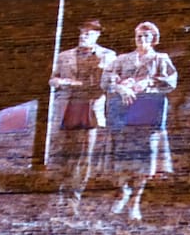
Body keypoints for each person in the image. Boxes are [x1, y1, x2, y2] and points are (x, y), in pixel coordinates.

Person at [104, 20, 177, 221]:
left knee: (145, 158)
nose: (142, 40)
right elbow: (107, 78)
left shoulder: (161, 59)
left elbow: (171, 81)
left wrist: (150, 81)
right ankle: (123, 190)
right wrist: (120, 86)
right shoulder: (122, 59)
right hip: (124, 110)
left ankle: (135, 201)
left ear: (153, 39)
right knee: (122, 153)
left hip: (148, 109)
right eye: (139, 36)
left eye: (147, 36)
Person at [48, 19, 116, 213]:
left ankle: (74, 197)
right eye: (83, 32)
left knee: (84, 155)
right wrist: (67, 82)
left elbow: (110, 83)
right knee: (64, 152)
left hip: (91, 108)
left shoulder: (108, 55)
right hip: (68, 107)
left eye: (90, 33)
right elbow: (53, 80)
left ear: (97, 35)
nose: (84, 35)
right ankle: (60, 192)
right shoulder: (64, 56)